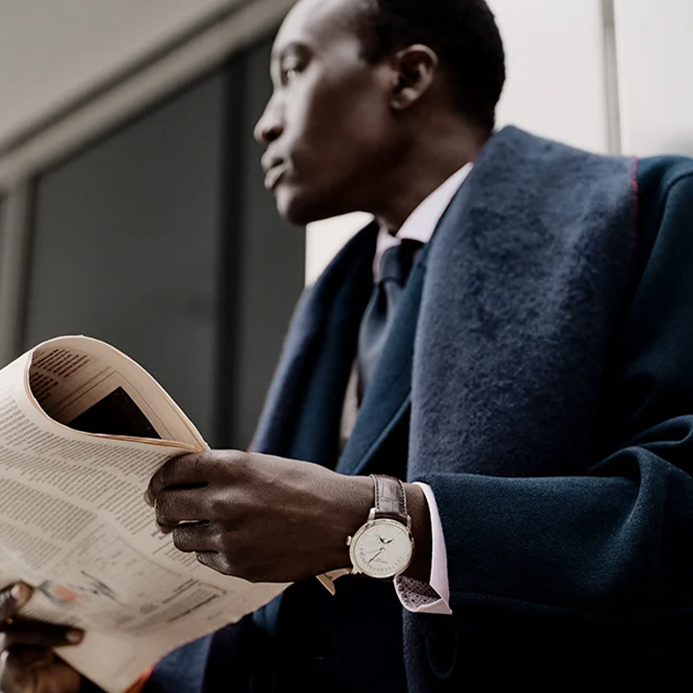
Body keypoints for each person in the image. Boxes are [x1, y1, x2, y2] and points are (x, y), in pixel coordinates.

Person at [3, 0, 693, 690]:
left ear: (408, 77)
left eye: (293, 70)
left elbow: (680, 505)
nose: (264, 120)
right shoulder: (333, 309)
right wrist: (103, 674)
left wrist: (385, 520)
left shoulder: (652, 210)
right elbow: (290, 629)